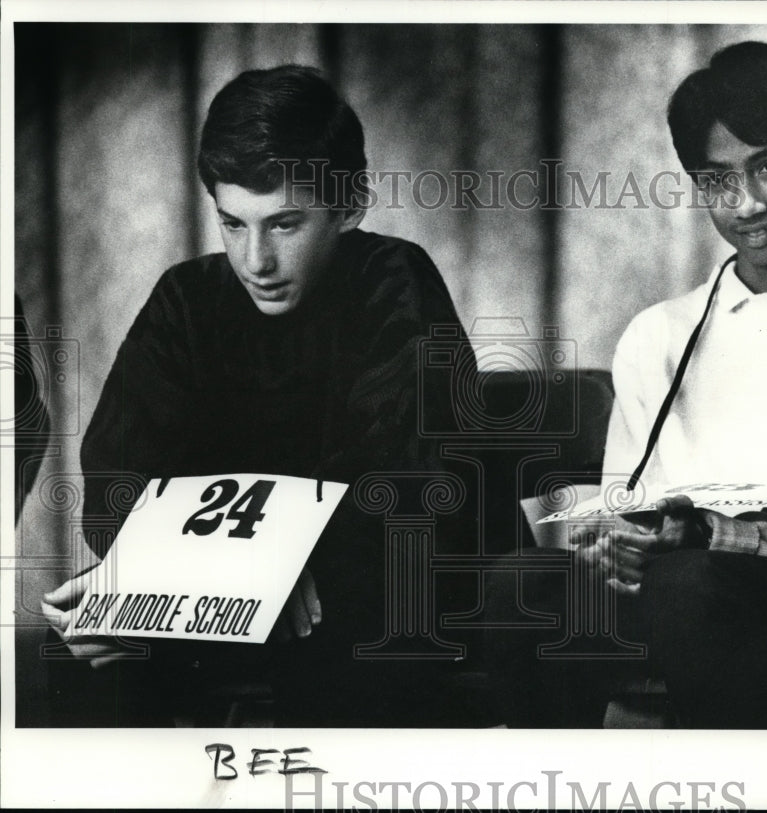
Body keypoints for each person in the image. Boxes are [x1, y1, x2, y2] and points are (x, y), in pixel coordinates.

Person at [487, 41, 767, 728]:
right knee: (522, 583)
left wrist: (713, 535)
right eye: (719, 179)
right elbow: (623, 501)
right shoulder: (657, 333)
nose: (747, 202)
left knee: (688, 586)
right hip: (667, 589)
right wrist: (617, 536)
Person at [40, 64, 476, 727]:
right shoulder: (186, 298)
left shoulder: (394, 277)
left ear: (349, 206)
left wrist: (264, 563)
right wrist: (239, 569)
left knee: (344, 640)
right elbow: (112, 492)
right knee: (69, 647)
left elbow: (403, 493)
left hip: (365, 604)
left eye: (285, 224)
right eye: (233, 223)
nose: (255, 260)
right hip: (216, 601)